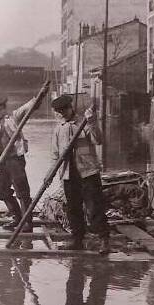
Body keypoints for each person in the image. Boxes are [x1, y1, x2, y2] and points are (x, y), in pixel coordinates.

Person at [50, 94, 110, 254]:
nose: (62, 114)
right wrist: (54, 173)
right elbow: (55, 154)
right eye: (58, 111)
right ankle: (77, 239)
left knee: (94, 207)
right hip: (69, 174)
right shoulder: (58, 129)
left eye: (64, 110)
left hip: (88, 172)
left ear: (71, 108)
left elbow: (98, 140)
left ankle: (104, 239)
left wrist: (91, 122)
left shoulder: (84, 123)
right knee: (73, 209)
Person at [0, 90, 41, 232]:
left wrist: (37, 98)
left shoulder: (13, 118)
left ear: (5, 108)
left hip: (16, 160)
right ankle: (17, 218)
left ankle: (27, 223)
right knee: (3, 191)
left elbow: (27, 108)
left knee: (22, 192)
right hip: (2, 162)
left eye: (0, 110)